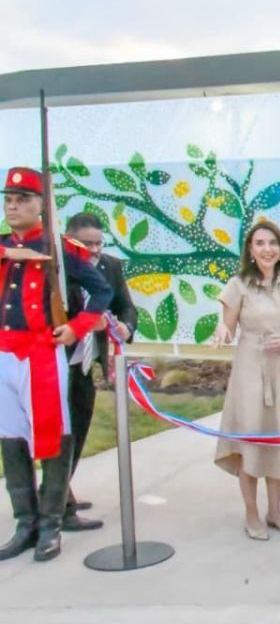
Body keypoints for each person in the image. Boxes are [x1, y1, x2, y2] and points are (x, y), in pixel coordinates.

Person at [0, 167, 112, 562]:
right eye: (9, 200)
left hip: (41, 352)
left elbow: (102, 290)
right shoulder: (3, 246)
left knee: (53, 437)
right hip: (4, 352)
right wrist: (10, 253)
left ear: (40, 205)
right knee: (11, 439)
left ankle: (50, 525)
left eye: (23, 200)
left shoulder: (61, 251)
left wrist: (76, 327)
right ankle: (25, 524)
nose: (13, 207)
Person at [212, 220, 280, 540]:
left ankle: (275, 511)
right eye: (259, 243)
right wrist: (222, 330)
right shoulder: (238, 285)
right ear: (250, 251)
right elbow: (227, 328)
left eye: (272, 243)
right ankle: (252, 514)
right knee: (252, 443)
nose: (267, 249)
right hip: (251, 371)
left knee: (278, 440)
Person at [61, 212, 138, 532]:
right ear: (68, 240)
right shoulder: (58, 268)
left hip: (86, 363)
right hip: (57, 360)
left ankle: (59, 491)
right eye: (86, 244)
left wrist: (126, 325)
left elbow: (126, 306)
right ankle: (59, 506)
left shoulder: (111, 266)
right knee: (61, 433)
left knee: (78, 429)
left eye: (98, 243)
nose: (94, 250)